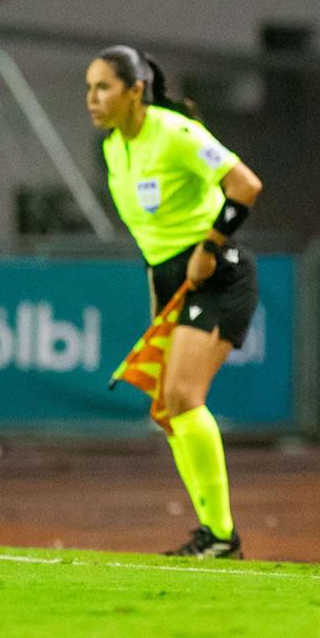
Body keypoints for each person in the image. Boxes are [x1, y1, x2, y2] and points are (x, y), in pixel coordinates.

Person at [86, 46, 262, 558]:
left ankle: (223, 536)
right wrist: (157, 313)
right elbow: (151, 246)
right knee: (168, 407)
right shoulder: (113, 149)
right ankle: (213, 532)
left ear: (135, 91)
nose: (92, 99)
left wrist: (209, 246)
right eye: (89, 88)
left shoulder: (176, 133)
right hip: (171, 284)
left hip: (218, 275)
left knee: (184, 395)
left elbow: (245, 186)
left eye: (103, 87)